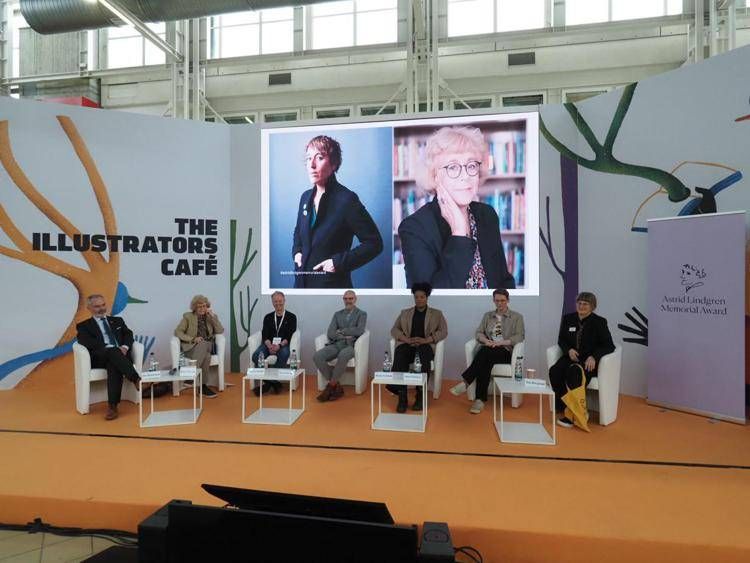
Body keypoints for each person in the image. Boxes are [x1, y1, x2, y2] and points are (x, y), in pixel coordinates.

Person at [398, 126, 515, 289]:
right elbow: (429, 298)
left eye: (471, 165)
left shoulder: (487, 215)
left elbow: (504, 282)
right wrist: (459, 233)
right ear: (434, 175)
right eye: (452, 167)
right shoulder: (414, 228)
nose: (465, 176)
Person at [292, 135, 383, 288]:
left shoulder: (347, 200)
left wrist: (338, 262)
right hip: (301, 286)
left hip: (331, 289)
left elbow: (374, 243)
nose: (312, 165)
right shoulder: (305, 197)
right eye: (308, 158)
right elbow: (298, 231)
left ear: (334, 164)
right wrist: (297, 252)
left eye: (319, 158)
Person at [450, 288, 524, 414]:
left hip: (505, 351)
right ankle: (479, 400)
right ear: (493, 301)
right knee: (486, 358)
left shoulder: (517, 317)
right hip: (489, 349)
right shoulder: (488, 316)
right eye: (497, 300)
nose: (500, 303)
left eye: (502, 300)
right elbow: (479, 332)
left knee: (485, 353)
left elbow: (519, 336)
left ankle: (467, 383)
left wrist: (500, 343)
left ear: (508, 300)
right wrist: (486, 340)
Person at [549, 292, 615, 428]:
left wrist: (594, 357)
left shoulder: (599, 322)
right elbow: (561, 340)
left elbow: (609, 345)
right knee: (554, 371)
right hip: (571, 357)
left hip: (588, 361)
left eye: (585, 304)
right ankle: (563, 404)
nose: (581, 306)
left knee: (575, 374)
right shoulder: (568, 318)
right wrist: (568, 350)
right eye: (579, 303)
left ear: (592, 306)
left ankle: (574, 414)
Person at [76, 294, 141, 420]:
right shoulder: (83, 326)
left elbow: (128, 334)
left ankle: (113, 407)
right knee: (113, 352)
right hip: (100, 357)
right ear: (89, 308)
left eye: (103, 305)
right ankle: (136, 379)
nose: (101, 309)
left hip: (120, 357)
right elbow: (86, 342)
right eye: (97, 306)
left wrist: (125, 347)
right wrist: (111, 347)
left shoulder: (118, 321)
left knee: (113, 363)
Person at [388, 282, 448, 413]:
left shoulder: (437, 314)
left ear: (427, 297)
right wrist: (406, 339)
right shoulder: (405, 313)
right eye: (416, 297)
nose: (419, 299)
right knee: (400, 354)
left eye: (422, 297)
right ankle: (402, 397)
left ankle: (420, 395)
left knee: (423, 357)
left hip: (425, 345)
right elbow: (394, 330)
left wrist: (426, 340)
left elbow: (443, 331)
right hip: (408, 344)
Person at [313, 290, 367, 402]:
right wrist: (343, 336)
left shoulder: (362, 314)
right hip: (336, 344)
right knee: (317, 356)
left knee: (343, 355)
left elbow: (359, 330)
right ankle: (335, 385)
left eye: (350, 298)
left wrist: (342, 331)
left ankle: (330, 387)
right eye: (345, 299)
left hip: (351, 346)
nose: (348, 301)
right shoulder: (337, 314)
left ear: (355, 299)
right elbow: (330, 333)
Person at [174, 294, 224, 399]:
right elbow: (178, 332)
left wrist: (213, 317)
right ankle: (202, 388)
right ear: (195, 308)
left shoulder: (211, 317)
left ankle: (190, 376)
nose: (202, 309)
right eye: (199, 306)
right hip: (192, 348)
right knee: (207, 357)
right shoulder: (188, 317)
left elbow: (220, 330)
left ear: (207, 307)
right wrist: (193, 339)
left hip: (208, 345)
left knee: (204, 343)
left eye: (204, 306)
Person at [251, 291, 298, 395]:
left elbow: (289, 336)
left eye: (280, 301)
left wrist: (279, 346)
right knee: (256, 355)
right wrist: (269, 346)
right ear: (272, 302)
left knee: (284, 353)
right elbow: (265, 335)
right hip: (269, 344)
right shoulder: (268, 317)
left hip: (283, 345)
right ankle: (274, 383)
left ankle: (268, 384)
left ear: (284, 301)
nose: (278, 303)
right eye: (275, 301)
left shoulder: (291, 317)